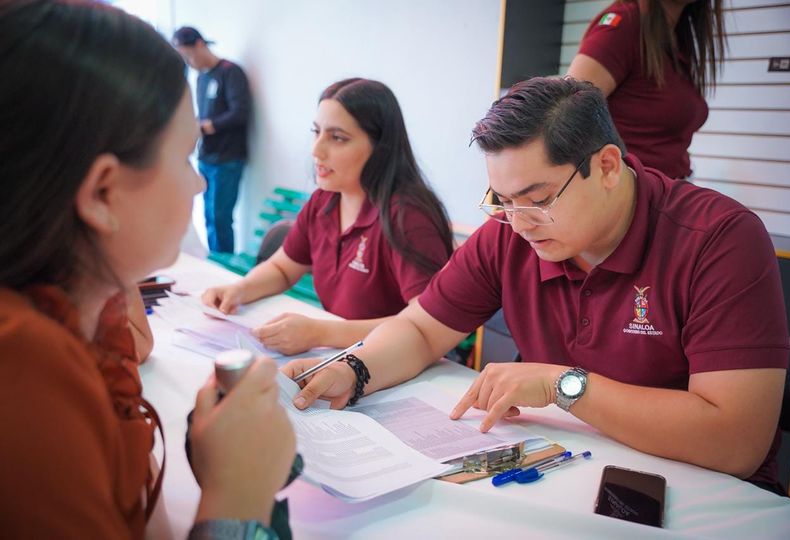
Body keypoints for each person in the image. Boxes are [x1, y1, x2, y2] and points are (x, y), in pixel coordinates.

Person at [282, 76, 789, 492]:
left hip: (697, 492)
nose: (520, 222)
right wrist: (354, 368)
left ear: (606, 167)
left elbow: (736, 442)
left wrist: (562, 385)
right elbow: (419, 328)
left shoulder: (718, 240)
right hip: (563, 468)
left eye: (538, 199)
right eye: (501, 200)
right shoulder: (510, 233)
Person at [0, 1, 295, 538]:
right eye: (184, 157)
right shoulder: (25, 378)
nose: (198, 183)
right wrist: (237, 497)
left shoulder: (78, 310)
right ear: (103, 193)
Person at [203, 78, 454, 356]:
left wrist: (320, 333)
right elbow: (283, 268)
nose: (316, 150)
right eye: (317, 132)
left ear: (380, 147)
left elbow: (427, 326)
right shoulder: (324, 201)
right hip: (341, 356)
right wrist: (239, 290)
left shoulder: (408, 218)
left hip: (395, 363)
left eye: (337, 138)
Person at [567, 0, 726, 179]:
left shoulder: (675, 38)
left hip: (668, 187)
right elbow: (565, 116)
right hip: (630, 190)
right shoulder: (624, 26)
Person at [172, 26, 252, 254]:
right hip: (206, 157)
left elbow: (240, 113)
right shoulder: (201, 78)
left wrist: (207, 126)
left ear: (199, 45)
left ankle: (222, 265)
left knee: (219, 217)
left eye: (188, 56)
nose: (188, 63)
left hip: (227, 158)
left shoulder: (230, 72)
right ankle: (215, 261)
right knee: (208, 216)